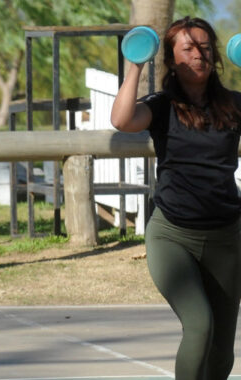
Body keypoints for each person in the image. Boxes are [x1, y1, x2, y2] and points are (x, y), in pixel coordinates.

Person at [111, 17, 241, 379]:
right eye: (188, 48)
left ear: (215, 55)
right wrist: (135, 63)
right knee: (200, 327)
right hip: (173, 235)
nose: (198, 53)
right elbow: (122, 120)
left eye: (204, 46)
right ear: (172, 60)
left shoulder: (233, 104)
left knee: (221, 352)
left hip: (226, 238)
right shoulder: (162, 105)